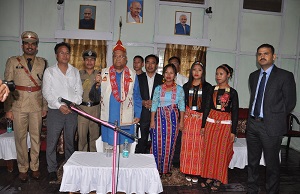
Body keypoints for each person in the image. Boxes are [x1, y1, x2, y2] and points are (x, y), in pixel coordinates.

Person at [246, 44, 296, 194]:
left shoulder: (285, 76)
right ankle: (252, 189)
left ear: (273, 57)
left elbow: (290, 102)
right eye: (259, 54)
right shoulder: (253, 76)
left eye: (266, 53)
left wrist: (274, 117)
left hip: (271, 127)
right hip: (253, 125)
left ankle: (272, 191)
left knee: (272, 164)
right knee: (252, 162)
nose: (262, 56)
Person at [4, 31, 48, 181]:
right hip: (18, 105)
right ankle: (23, 168)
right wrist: (8, 109)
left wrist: (44, 106)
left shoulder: (43, 62)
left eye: (33, 44)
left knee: (36, 138)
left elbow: (45, 87)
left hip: (36, 105)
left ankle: (35, 167)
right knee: (20, 138)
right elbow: (8, 86)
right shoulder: (13, 61)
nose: (30, 46)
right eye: (27, 43)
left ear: (37, 47)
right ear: (22, 45)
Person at [42, 42, 83, 182]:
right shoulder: (50, 72)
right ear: (56, 55)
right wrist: (60, 105)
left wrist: (72, 105)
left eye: (67, 53)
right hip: (55, 111)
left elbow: (79, 91)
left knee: (70, 141)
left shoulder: (75, 71)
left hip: (72, 111)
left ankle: (70, 167)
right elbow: (47, 93)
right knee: (52, 142)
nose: (65, 55)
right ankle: (51, 169)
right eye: (62, 52)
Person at [200, 64, 239, 191]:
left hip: (225, 125)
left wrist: (233, 131)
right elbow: (206, 107)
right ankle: (209, 176)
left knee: (221, 152)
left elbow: (235, 112)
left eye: (221, 74)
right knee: (209, 151)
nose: (218, 76)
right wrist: (203, 126)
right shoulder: (212, 89)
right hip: (211, 122)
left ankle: (218, 178)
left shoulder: (233, 92)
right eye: (217, 74)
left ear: (228, 75)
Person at [99, 40, 142, 151]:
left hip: (126, 119)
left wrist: (138, 113)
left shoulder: (132, 75)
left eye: (121, 56)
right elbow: (95, 95)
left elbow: (137, 96)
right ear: (112, 58)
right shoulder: (104, 73)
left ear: (126, 59)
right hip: (109, 117)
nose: (118, 58)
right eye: (115, 56)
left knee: (125, 152)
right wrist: (96, 84)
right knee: (108, 151)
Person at [150, 63, 185, 177]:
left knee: (170, 144)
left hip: (173, 120)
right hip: (159, 119)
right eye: (166, 72)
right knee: (157, 143)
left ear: (175, 75)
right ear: (163, 74)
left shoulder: (179, 89)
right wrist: (152, 121)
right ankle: (154, 168)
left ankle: (166, 169)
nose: (169, 75)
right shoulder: (158, 89)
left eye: (171, 72)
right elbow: (154, 105)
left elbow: (182, 106)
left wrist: (181, 122)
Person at [180, 61, 212, 183]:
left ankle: (197, 172)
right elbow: (182, 105)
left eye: (199, 70)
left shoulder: (208, 87)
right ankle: (187, 170)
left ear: (203, 72)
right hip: (188, 120)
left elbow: (208, 106)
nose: (196, 72)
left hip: (200, 120)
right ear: (191, 72)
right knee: (187, 146)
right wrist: (181, 121)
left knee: (198, 147)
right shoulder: (186, 86)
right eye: (194, 70)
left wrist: (204, 124)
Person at [136, 54, 163, 154]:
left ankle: (155, 162)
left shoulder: (162, 79)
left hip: (157, 115)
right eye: (148, 62)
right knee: (142, 140)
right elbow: (134, 95)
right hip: (142, 114)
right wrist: (143, 102)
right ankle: (140, 162)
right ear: (144, 64)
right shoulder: (138, 78)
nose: (150, 65)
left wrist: (155, 103)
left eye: (153, 63)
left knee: (156, 141)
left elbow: (166, 97)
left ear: (156, 65)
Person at [78, 50, 100, 152]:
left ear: (95, 61)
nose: (89, 62)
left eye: (92, 60)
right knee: (82, 136)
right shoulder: (78, 74)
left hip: (96, 108)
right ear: (84, 61)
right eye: (87, 59)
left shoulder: (100, 74)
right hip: (82, 108)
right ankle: (82, 158)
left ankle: (93, 158)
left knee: (94, 136)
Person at [168, 56, 188, 168]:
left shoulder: (185, 80)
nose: (173, 66)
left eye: (175, 63)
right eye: (171, 63)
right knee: (168, 137)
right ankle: (167, 160)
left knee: (178, 138)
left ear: (179, 66)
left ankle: (176, 162)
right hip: (166, 113)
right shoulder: (165, 79)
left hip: (179, 112)